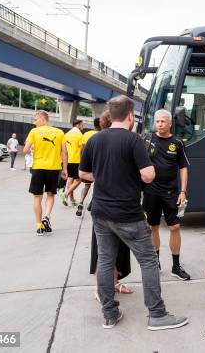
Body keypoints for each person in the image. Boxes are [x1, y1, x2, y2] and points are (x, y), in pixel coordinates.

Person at [79, 95, 188, 330]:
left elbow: (82, 174)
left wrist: (106, 176)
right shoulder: (134, 140)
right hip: (127, 213)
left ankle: (109, 313)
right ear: (130, 116)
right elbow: (148, 174)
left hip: (100, 212)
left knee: (106, 260)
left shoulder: (94, 140)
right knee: (148, 261)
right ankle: (157, 315)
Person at [87, 111, 133, 299]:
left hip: (122, 205)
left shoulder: (125, 141)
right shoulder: (97, 142)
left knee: (117, 249)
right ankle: (100, 288)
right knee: (103, 251)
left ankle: (113, 282)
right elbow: (84, 172)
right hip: (105, 204)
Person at [143, 109, 191, 281]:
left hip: (171, 192)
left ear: (170, 123)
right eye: (157, 121)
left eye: (163, 121)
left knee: (175, 227)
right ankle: (155, 262)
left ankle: (176, 266)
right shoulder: (146, 140)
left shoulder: (177, 143)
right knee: (152, 227)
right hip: (150, 191)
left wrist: (183, 191)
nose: (160, 124)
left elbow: (183, 167)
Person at [23, 111, 68, 236]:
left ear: (43, 119)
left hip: (38, 168)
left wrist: (32, 149)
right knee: (50, 194)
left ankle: (39, 226)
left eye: (35, 119)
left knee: (37, 197)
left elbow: (25, 150)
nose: (34, 122)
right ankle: (46, 217)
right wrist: (65, 168)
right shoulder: (59, 132)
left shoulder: (34, 132)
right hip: (53, 169)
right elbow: (64, 152)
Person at [76, 117, 100, 217]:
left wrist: (82, 162)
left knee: (86, 185)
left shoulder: (86, 134)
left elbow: (82, 150)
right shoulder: (102, 135)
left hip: (88, 164)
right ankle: (93, 203)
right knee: (98, 185)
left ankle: (81, 202)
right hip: (98, 164)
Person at [60, 120, 84, 207]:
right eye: (82, 125)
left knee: (70, 179)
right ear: (78, 125)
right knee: (79, 179)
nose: (83, 126)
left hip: (68, 160)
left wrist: (64, 164)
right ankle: (65, 194)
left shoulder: (66, 135)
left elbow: (64, 151)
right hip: (77, 160)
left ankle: (72, 200)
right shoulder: (80, 135)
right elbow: (82, 150)